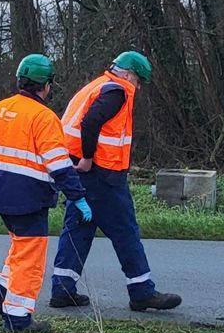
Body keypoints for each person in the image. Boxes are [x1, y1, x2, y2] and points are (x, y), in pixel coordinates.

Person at [48, 51, 182, 312]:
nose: (138, 87)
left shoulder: (97, 86)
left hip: (81, 170)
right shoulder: (117, 91)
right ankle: (142, 291)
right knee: (125, 231)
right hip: (103, 174)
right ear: (129, 74)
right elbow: (91, 123)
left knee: (79, 228)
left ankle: (62, 289)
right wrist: (87, 158)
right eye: (139, 80)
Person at [0, 54, 90, 332]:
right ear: (46, 85)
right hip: (30, 198)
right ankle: (17, 318)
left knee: (20, 246)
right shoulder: (44, 117)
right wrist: (78, 197)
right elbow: (60, 166)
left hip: (0, 194)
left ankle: (0, 294)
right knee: (31, 259)